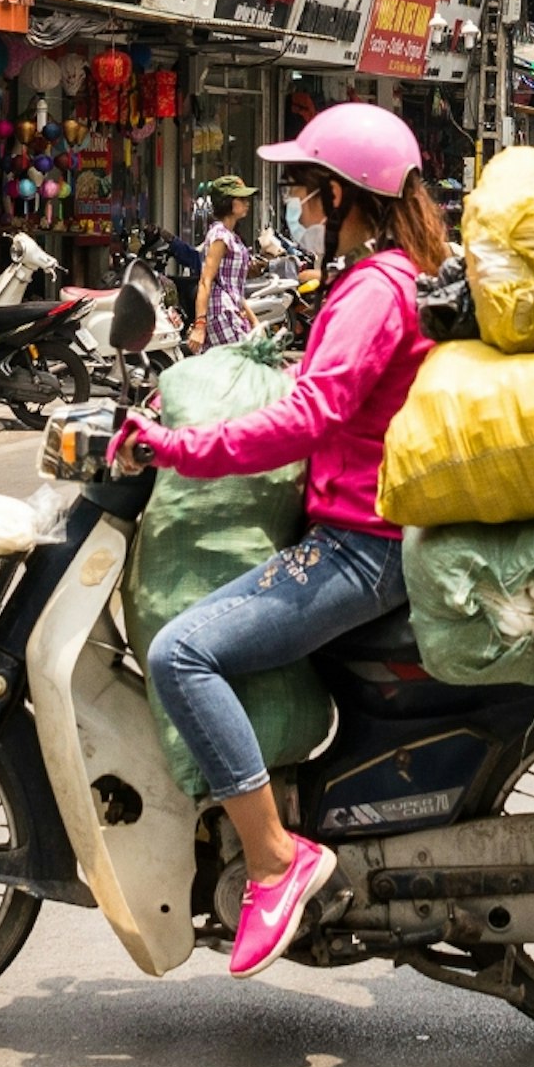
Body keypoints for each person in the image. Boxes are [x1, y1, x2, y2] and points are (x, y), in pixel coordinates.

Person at [121, 102, 440, 979]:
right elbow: (316, 387)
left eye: (304, 189)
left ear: (339, 196)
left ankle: (274, 857)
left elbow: (310, 414)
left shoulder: (375, 288)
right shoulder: (384, 278)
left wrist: (184, 449)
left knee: (182, 653)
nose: (297, 206)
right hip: (365, 532)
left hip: (360, 548)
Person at [191, 176, 258, 348]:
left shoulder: (231, 236)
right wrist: (200, 325)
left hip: (232, 311)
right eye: (241, 199)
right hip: (221, 312)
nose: (247, 203)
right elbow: (206, 280)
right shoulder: (220, 235)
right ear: (228, 202)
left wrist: (254, 321)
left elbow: (234, 288)